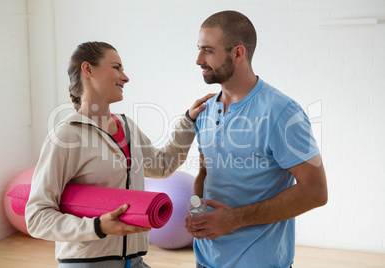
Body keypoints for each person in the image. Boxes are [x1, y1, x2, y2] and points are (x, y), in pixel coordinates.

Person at [25, 41, 214, 268]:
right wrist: (97, 227)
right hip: (89, 263)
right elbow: (36, 217)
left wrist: (188, 121)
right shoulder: (67, 136)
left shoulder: (127, 127)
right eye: (116, 68)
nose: (125, 78)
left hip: (133, 261)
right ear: (88, 69)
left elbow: (162, 165)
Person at [185, 11, 328, 268]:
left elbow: (315, 191)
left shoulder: (282, 112)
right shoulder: (205, 111)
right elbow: (206, 172)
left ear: (238, 53)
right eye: (198, 49)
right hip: (205, 260)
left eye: (207, 50)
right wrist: (197, 214)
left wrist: (235, 219)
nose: (198, 59)